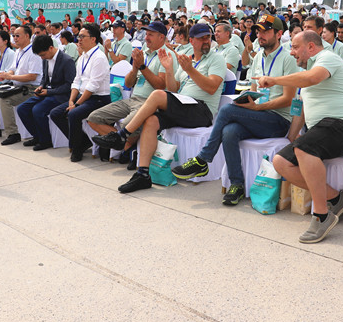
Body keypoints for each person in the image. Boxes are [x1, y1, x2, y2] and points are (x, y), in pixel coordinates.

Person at [172, 14, 299, 205]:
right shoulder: (259, 58)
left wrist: (257, 107)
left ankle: (203, 159)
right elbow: (255, 92)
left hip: (278, 120)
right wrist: (248, 101)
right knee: (229, 131)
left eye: (265, 31)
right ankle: (237, 184)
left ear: (279, 34)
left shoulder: (287, 59)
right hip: (259, 115)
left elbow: (288, 99)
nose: (260, 35)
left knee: (226, 111)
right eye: (258, 31)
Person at [254, 31, 343, 243]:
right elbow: (301, 109)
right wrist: (291, 137)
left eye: (295, 47)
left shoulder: (328, 58)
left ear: (311, 47)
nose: (291, 52)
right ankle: (335, 198)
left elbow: (313, 78)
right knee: (281, 161)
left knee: (304, 149)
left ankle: (322, 215)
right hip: (323, 130)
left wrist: (274, 80)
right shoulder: (306, 72)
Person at [92, 22, 226, 193]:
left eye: (208, 37)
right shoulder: (188, 60)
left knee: (157, 94)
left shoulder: (216, 59)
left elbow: (212, 87)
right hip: (183, 104)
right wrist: (169, 69)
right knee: (151, 121)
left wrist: (190, 70)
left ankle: (122, 135)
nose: (206, 41)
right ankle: (143, 174)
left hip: (201, 110)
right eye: (201, 38)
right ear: (192, 41)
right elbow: (174, 88)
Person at [85, 21, 170, 165]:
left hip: (149, 102)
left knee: (127, 125)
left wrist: (142, 66)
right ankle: (123, 144)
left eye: (150, 35)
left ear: (161, 37)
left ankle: (125, 145)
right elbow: (129, 84)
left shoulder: (166, 55)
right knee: (93, 118)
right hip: (133, 99)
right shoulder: (145, 52)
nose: (146, 37)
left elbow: (160, 86)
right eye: (146, 34)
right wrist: (135, 68)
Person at [49, 23, 111, 162]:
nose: (79, 39)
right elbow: (76, 81)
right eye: (79, 36)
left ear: (93, 39)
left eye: (83, 37)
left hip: (98, 99)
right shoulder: (83, 57)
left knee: (73, 113)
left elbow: (92, 86)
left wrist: (76, 104)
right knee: (56, 113)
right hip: (83, 97)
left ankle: (76, 149)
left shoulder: (99, 58)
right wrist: (72, 101)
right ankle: (83, 141)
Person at [0, 27, 42, 145]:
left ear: (27, 36)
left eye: (18, 35)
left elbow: (32, 76)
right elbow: (13, 69)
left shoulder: (34, 53)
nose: (15, 38)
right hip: (17, 85)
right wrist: (5, 75)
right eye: (14, 36)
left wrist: (11, 77)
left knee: (4, 100)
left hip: (31, 88)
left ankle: (13, 133)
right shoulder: (18, 51)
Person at [18, 34, 76, 150]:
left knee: (38, 110)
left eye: (43, 55)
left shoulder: (67, 60)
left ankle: (45, 140)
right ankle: (37, 136)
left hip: (61, 95)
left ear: (51, 48)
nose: (42, 58)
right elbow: (45, 78)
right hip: (47, 92)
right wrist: (40, 87)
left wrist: (49, 92)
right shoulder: (45, 59)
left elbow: (69, 85)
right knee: (22, 109)